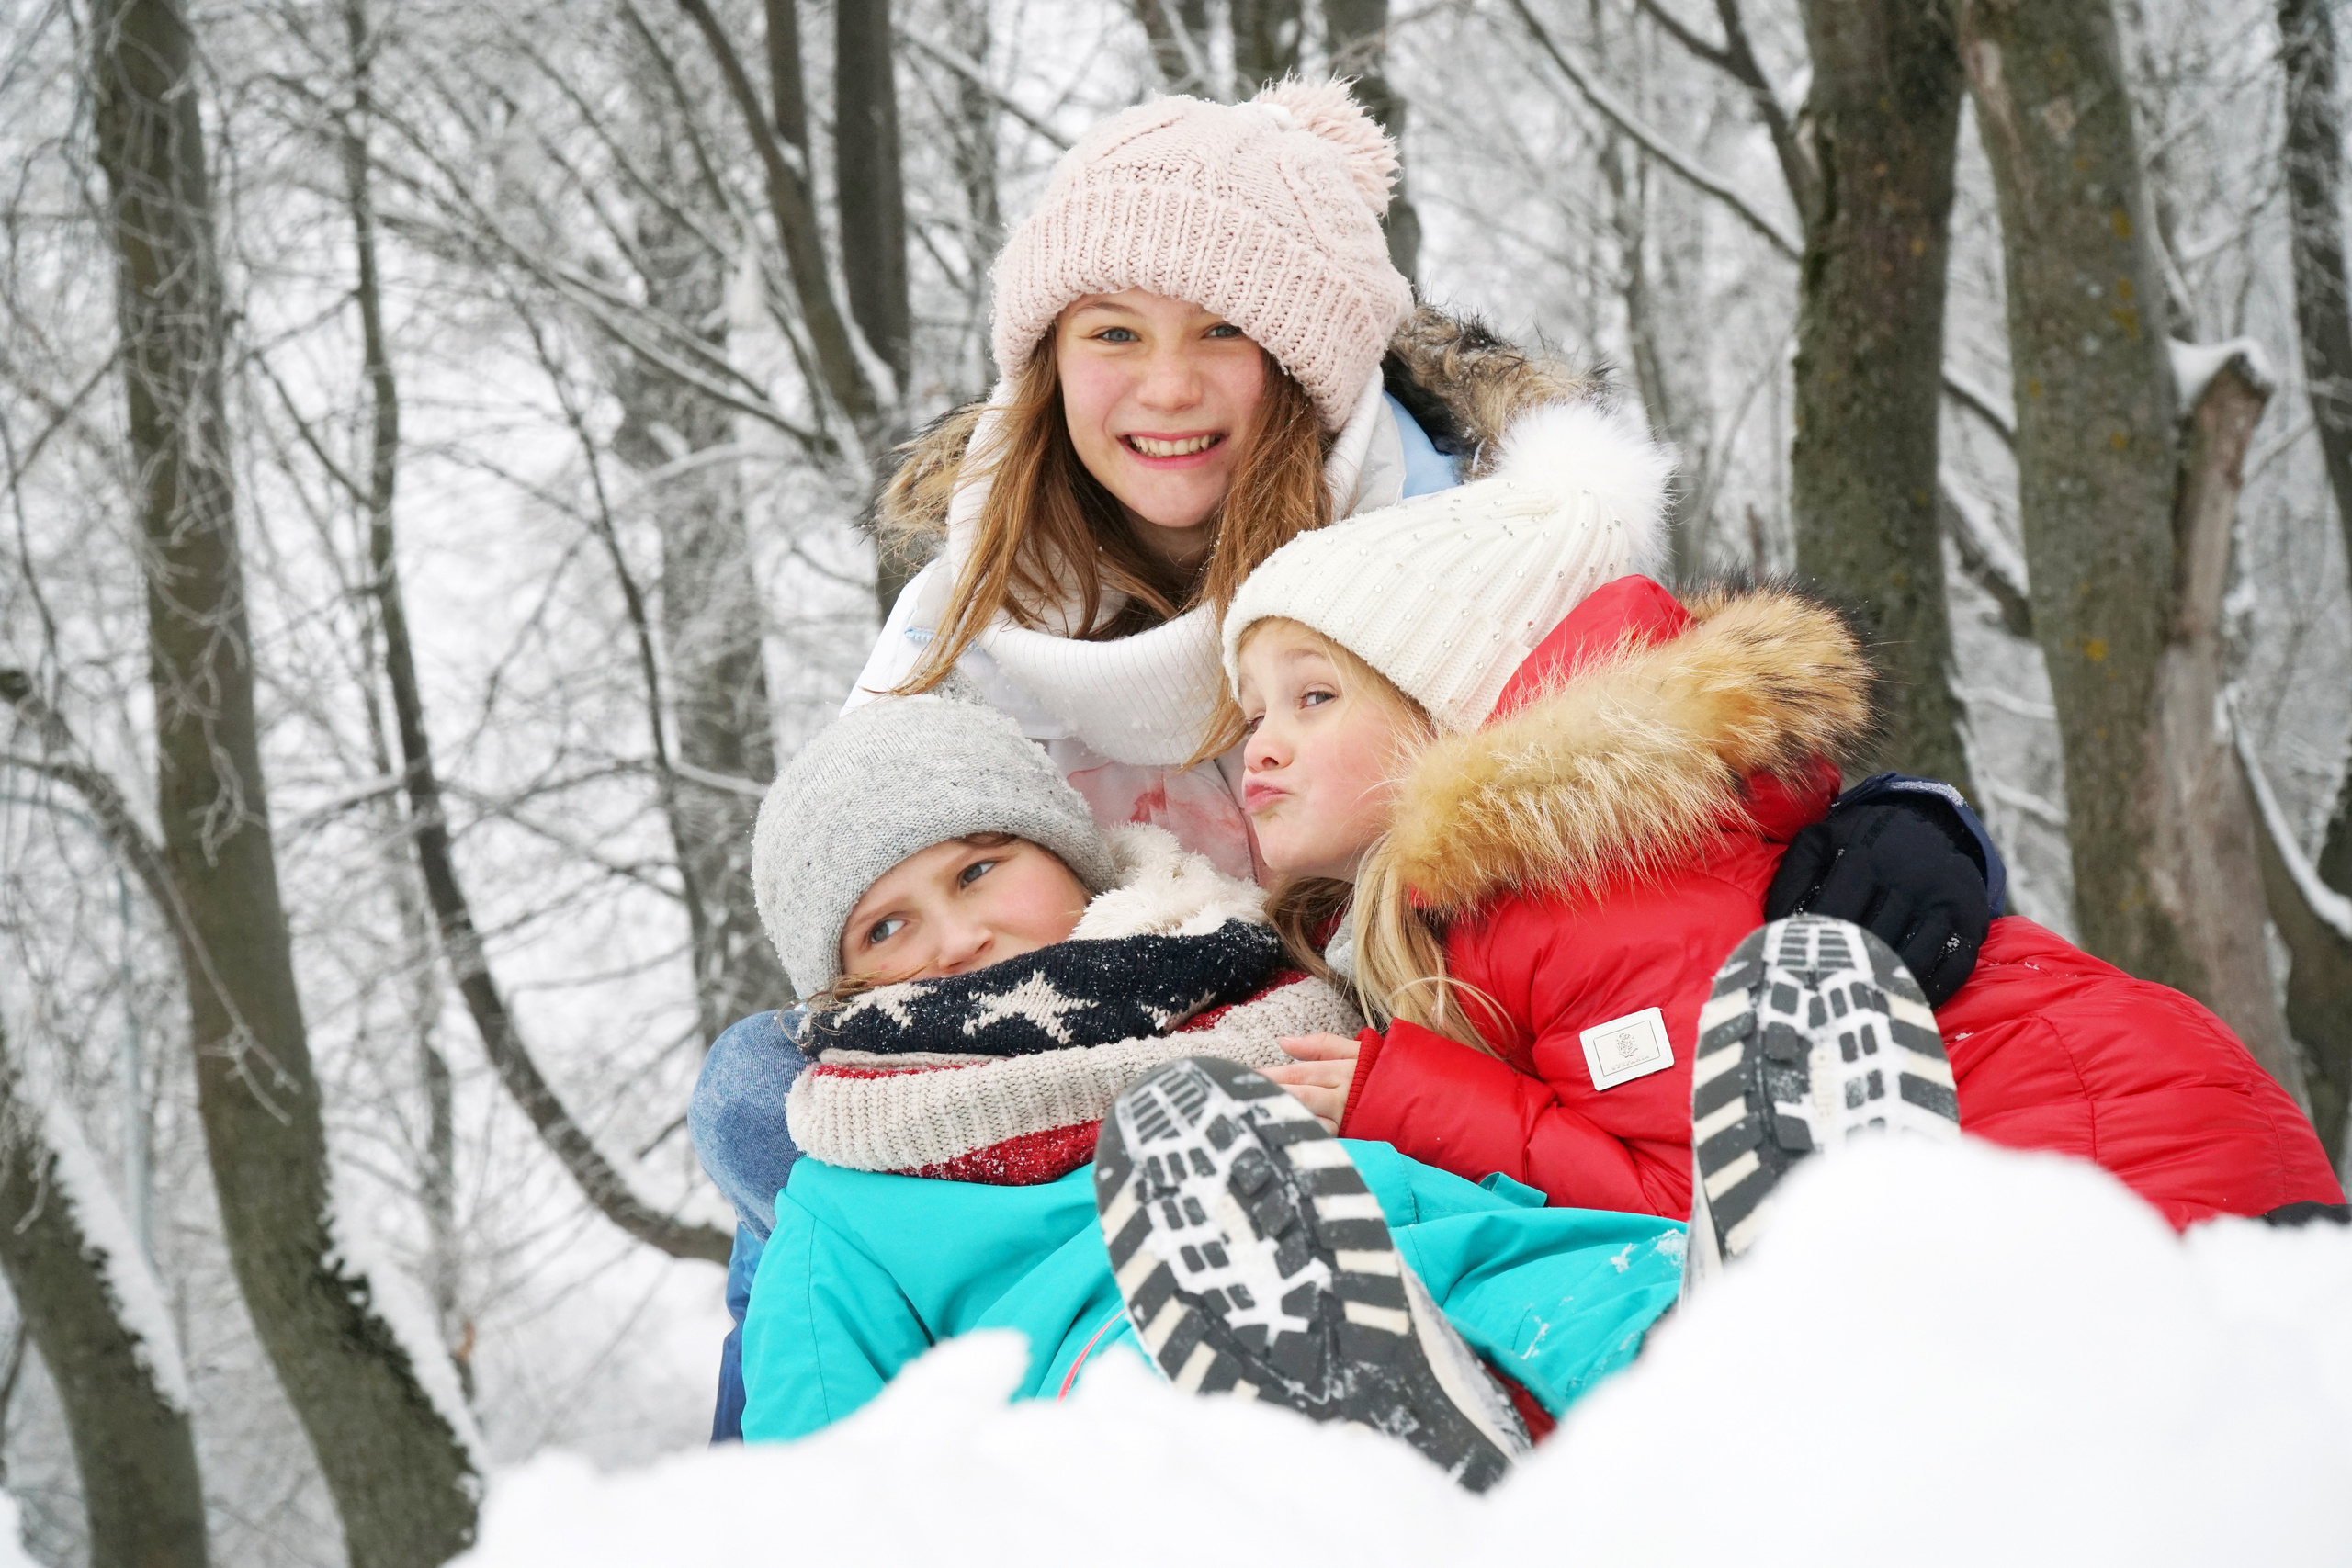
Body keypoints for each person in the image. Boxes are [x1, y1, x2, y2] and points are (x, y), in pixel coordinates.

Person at [693, 76, 1998, 1433]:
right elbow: (863, 886)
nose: (1168, 386)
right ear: (1048, 361)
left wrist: (1909, 822)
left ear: (1303, 354)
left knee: (1777, 966)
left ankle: (1732, 1309)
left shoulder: (1446, 554)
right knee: (769, 1091)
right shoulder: (962, 625)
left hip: (1422, 1041)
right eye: (1113, 332)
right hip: (1095, 1145)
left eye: (1223, 329)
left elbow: (1660, 739)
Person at [1213, 435, 2346, 1235]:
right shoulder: (1507, 906)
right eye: (1251, 711)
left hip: (2118, 1158)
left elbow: (1721, 1201)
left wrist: (1415, 1102)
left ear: (1448, 713)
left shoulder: (1593, 893)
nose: (1261, 746)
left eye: (1314, 699)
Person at [735, 695, 1688, 1490]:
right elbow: (824, 1486)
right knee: (1160, 1371)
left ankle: (1735, 1325)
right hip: (1126, 1414)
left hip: (1451, 1263)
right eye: (885, 930)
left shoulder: (1275, 994)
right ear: (841, 987)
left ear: (1069, 856)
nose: (953, 939)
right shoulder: (849, 1195)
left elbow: (1477, 1165)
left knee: (1597, 1291)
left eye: (978, 870)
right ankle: (1355, 1446)